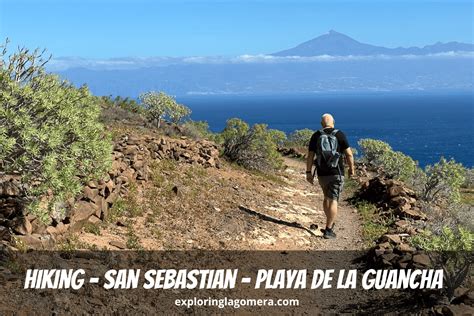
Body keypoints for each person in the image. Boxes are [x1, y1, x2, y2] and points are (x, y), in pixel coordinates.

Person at [305, 113, 355, 239]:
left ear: (322, 124)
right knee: (333, 199)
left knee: (326, 198)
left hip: (322, 173)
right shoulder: (339, 134)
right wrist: (351, 170)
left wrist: (308, 172)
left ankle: (329, 223)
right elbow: (349, 154)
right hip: (336, 173)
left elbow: (310, 155)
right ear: (333, 122)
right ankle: (328, 229)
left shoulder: (316, 135)